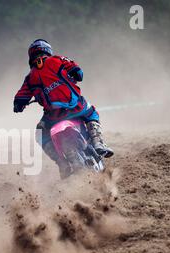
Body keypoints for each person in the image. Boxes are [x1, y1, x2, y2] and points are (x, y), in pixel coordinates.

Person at [13, 39, 114, 178]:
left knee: (40, 133)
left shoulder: (30, 78)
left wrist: (19, 105)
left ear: (31, 57)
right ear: (47, 51)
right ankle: (98, 143)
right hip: (76, 107)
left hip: (52, 118)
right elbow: (79, 73)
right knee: (92, 113)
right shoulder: (58, 59)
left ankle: (61, 163)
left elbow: (19, 99)